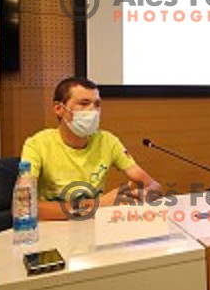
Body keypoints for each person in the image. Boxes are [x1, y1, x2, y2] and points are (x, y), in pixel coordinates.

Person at [21, 76, 160, 220]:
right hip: (53, 230)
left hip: (95, 228)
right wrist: (97, 205)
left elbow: (153, 185)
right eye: (84, 103)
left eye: (97, 104)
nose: (93, 110)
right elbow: (24, 206)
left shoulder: (108, 141)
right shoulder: (37, 145)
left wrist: (141, 194)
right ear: (59, 109)